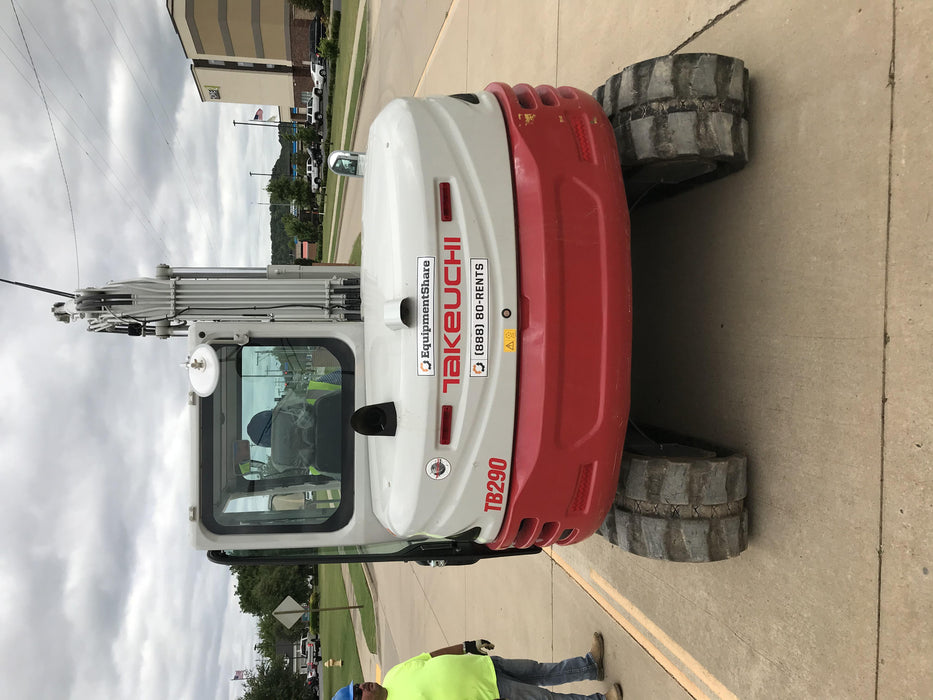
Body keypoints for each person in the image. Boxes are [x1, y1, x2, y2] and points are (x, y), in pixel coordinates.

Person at [331, 633, 622, 700]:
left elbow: (429, 657)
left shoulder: (393, 674)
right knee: (547, 699)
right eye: (357, 695)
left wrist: (467, 646)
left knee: (540, 671)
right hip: (491, 694)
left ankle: (589, 666)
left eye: (356, 686)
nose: (362, 686)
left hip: (485, 667)